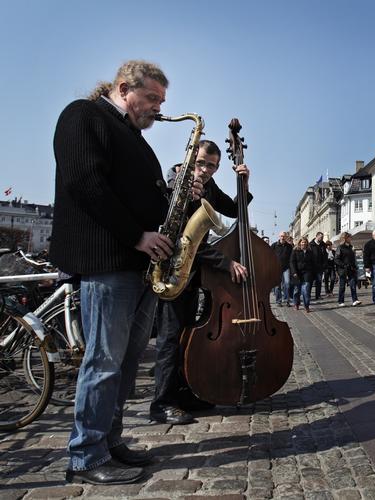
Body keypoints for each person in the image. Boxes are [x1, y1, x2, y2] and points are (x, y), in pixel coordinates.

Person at [51, 60, 174, 485]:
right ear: (124, 88)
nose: (158, 108)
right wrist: (137, 236)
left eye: (161, 101)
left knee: (124, 362)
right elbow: (85, 182)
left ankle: (109, 441)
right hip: (107, 261)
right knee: (103, 361)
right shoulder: (82, 115)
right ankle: (85, 455)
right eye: (152, 98)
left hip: (136, 265)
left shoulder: (134, 137)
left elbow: (146, 199)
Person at [149, 140, 249, 426]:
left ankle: (181, 394)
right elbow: (184, 241)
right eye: (203, 163)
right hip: (172, 270)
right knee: (169, 340)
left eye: (213, 167)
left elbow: (233, 210)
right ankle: (162, 403)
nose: (206, 171)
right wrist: (226, 262)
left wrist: (244, 183)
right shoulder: (173, 186)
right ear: (191, 157)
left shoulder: (208, 185)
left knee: (184, 337)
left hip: (192, 275)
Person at [335, 232, 361, 307]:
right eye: (349, 237)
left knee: (353, 285)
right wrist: (343, 265)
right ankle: (341, 301)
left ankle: (355, 300)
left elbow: (352, 259)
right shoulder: (340, 247)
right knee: (342, 285)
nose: (351, 239)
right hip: (343, 269)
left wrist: (355, 266)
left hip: (351, 269)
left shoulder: (350, 247)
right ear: (345, 238)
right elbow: (336, 259)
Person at [290, 237, 316, 312]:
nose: (303, 243)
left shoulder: (310, 252)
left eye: (305, 242)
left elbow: (313, 263)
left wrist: (313, 273)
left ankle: (306, 305)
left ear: (307, 243)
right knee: (297, 290)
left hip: (307, 273)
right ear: (299, 243)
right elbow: (292, 262)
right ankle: (296, 303)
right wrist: (294, 272)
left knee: (306, 289)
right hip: (297, 273)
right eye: (302, 242)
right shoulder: (295, 251)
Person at [271, 231, 293, 306]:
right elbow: (269, 255)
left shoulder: (289, 246)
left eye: (284, 236)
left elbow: (291, 257)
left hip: (286, 268)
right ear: (279, 237)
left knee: (287, 284)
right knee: (277, 286)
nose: (282, 237)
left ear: (286, 237)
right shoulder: (274, 245)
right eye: (281, 236)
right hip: (277, 268)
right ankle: (278, 301)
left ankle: (287, 300)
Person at [309, 232, 327, 300]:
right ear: (316, 236)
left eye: (322, 237)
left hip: (320, 267)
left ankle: (318, 295)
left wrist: (324, 264)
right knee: (310, 282)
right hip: (312, 267)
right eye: (320, 237)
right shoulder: (311, 244)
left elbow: (325, 255)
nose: (322, 238)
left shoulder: (323, 245)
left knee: (319, 281)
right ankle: (309, 294)